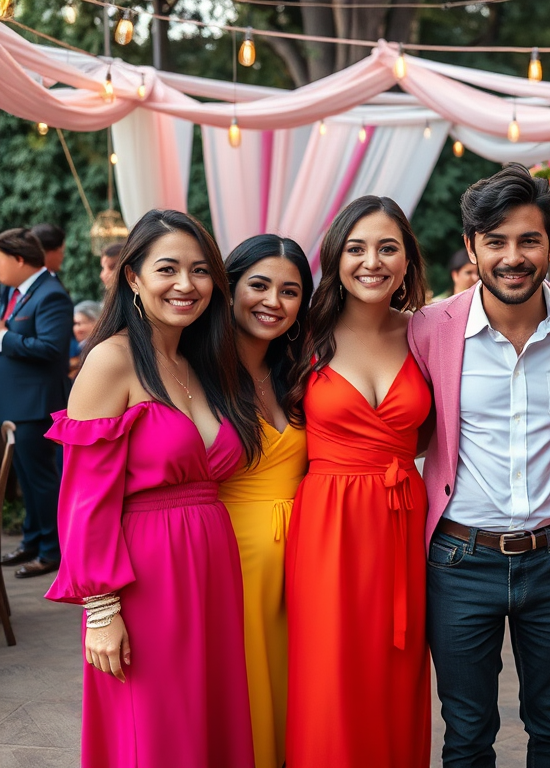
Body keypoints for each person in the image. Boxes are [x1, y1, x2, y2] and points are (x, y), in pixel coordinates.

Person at [44, 209, 262, 768]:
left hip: (212, 566)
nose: (186, 285)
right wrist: (100, 609)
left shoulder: (201, 363)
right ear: (133, 276)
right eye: (168, 268)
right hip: (145, 574)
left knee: (207, 720)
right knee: (154, 730)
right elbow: (83, 501)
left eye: (200, 271)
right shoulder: (109, 361)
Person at [408, 162, 550, 768]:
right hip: (460, 558)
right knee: (465, 730)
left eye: (528, 240)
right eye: (495, 242)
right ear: (471, 247)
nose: (512, 257)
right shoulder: (428, 328)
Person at [285, 196, 430, 768]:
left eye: (388, 247)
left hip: (402, 523)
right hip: (327, 525)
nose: (373, 261)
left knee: (398, 674)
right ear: (336, 257)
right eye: (357, 248)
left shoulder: (426, 333)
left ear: (406, 260)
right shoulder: (301, 334)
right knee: (330, 676)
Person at [221, 235, 312, 768]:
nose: (272, 301)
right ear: (229, 288)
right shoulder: (196, 372)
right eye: (258, 285)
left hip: (302, 558)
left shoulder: (297, 372)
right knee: (245, 696)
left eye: (289, 291)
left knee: (293, 696)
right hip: (233, 557)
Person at [0, 228, 73, 578]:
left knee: (42, 480)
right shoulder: (11, 292)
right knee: (27, 481)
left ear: (17, 259)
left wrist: (5, 337)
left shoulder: (52, 295)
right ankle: (32, 540)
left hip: (36, 403)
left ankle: (51, 551)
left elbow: (52, 350)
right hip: (14, 403)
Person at [70, 300, 102, 379]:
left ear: (96, 322)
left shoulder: (99, 351)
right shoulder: (82, 348)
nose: (75, 329)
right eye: (74, 324)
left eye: (79, 324)